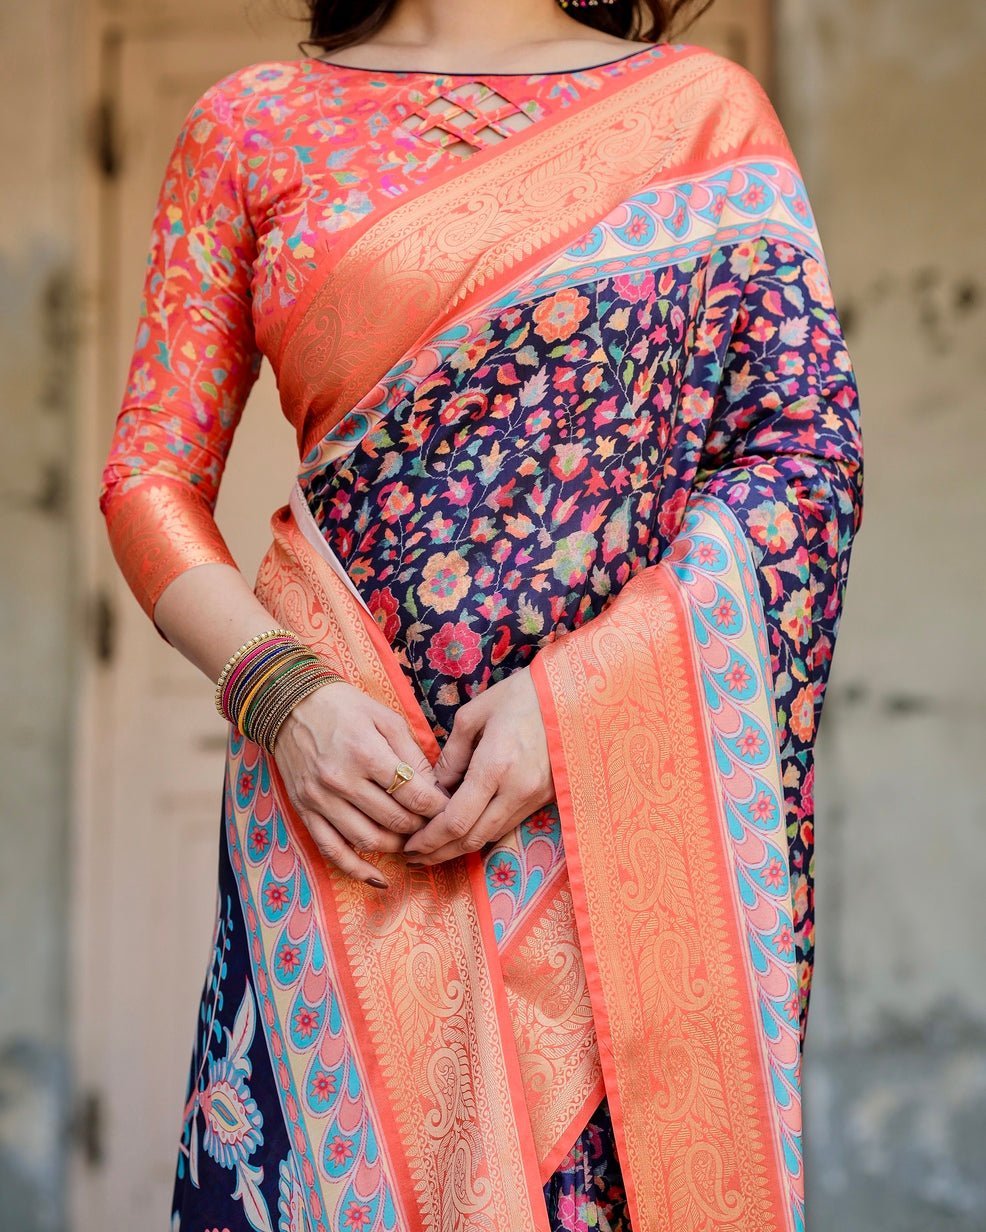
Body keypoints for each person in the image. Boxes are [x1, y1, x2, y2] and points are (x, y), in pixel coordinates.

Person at [98, 0, 863, 1227]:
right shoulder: (253, 124)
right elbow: (148, 480)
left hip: (601, 827)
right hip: (347, 810)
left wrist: (573, 710)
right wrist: (281, 694)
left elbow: (799, 463)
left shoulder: (699, 116)